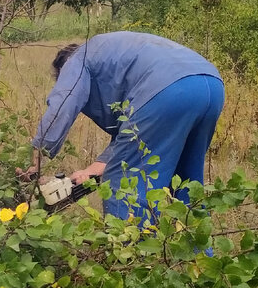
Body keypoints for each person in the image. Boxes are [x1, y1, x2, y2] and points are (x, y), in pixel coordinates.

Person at [25, 31, 224, 222]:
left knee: (123, 184)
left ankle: (130, 252)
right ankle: (196, 254)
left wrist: (38, 157)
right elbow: (131, 136)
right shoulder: (110, 56)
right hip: (211, 86)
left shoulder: (77, 59)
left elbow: (64, 100)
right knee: (186, 182)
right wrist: (91, 171)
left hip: (168, 90)